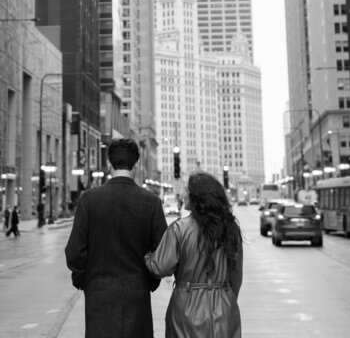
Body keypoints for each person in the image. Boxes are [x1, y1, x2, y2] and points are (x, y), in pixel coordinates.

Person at [65, 138, 167, 338]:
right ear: (135, 166)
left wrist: (85, 278)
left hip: (99, 294)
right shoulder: (151, 202)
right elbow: (163, 252)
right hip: (137, 294)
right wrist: (150, 280)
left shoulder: (89, 200)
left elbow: (74, 253)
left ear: (110, 165)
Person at [145, 172, 243, 338]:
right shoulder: (231, 229)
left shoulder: (179, 229)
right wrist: (226, 297)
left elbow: (159, 267)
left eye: (186, 191)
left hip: (186, 308)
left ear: (197, 198)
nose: (183, 195)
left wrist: (147, 254)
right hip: (224, 307)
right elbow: (236, 276)